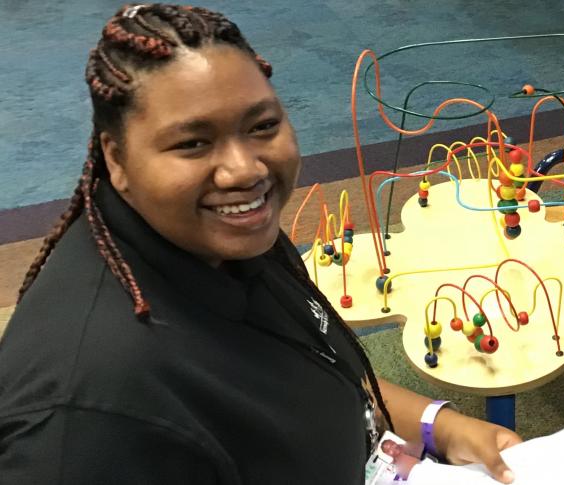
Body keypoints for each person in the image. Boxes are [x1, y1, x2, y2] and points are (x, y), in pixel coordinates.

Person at [0, 4, 522, 484]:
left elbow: (307, 367)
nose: (246, 170)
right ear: (115, 158)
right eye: (193, 143)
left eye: (263, 125)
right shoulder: (88, 417)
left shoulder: (228, 238)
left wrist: (438, 426)